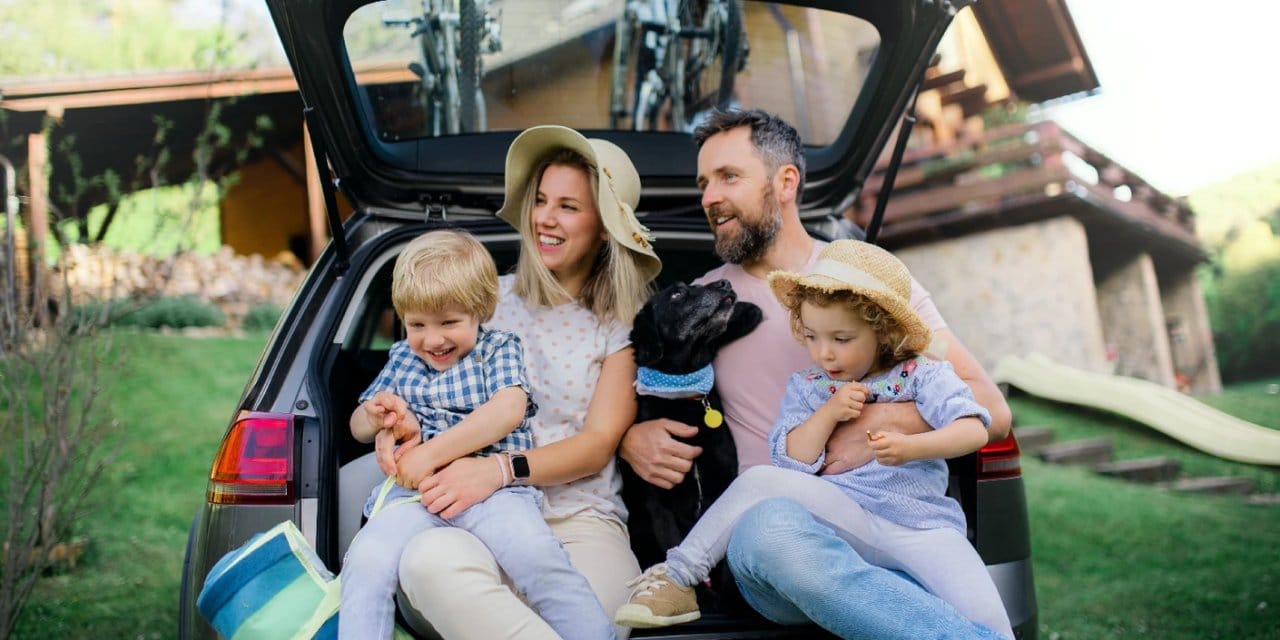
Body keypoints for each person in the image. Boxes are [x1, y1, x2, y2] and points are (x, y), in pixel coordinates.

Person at [619, 109, 1014, 639]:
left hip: (901, 520)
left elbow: (991, 408)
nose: (709, 197)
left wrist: (883, 425)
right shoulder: (705, 303)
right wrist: (628, 438)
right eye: (703, 183)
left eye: (728, 177)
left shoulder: (871, 286)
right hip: (780, 541)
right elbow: (642, 388)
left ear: (786, 182)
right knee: (770, 531)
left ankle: (900, 615)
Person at [388, 126, 663, 640]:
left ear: (605, 229)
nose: (545, 218)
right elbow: (414, 386)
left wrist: (497, 470)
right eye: (540, 200)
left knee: (603, 618)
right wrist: (392, 431)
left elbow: (596, 445)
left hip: (579, 518)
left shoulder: (621, 324)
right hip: (472, 513)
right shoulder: (484, 302)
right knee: (425, 564)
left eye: (568, 206)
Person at [338, 229, 614, 640]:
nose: (433, 339)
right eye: (416, 324)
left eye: (449, 322)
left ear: (480, 311)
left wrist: (430, 453)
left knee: (537, 557)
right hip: (415, 497)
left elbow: (508, 409)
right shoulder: (402, 358)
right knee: (364, 560)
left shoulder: (498, 349)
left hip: (495, 494)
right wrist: (376, 414)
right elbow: (357, 428)